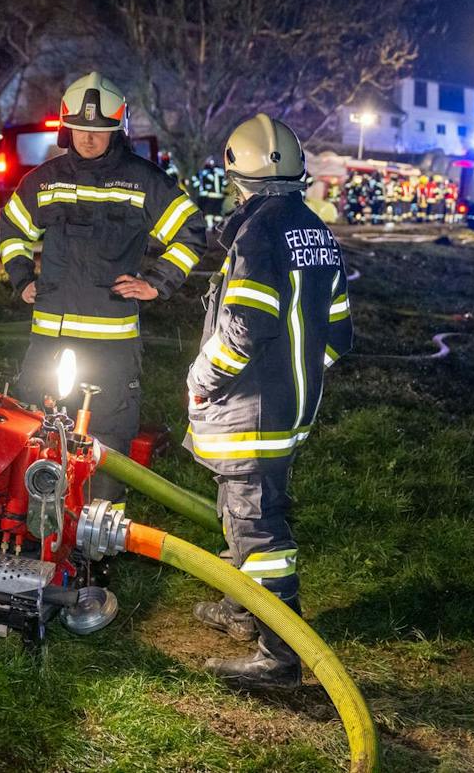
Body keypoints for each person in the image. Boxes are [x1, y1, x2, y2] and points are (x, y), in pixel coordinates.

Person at [185, 113, 353, 690]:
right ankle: (241, 607)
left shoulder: (257, 234)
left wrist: (204, 376)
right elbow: (338, 334)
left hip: (249, 409)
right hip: (289, 411)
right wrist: (297, 378)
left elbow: (244, 326)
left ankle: (279, 655)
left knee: (256, 526)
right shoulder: (315, 230)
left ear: (238, 177)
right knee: (243, 511)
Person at [0, 72, 207, 500]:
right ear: (65, 127)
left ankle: (97, 525)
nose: (89, 139)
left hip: (112, 341)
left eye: (100, 131)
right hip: (49, 337)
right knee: (34, 424)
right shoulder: (45, 180)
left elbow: (190, 230)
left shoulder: (143, 180)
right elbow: (11, 229)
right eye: (81, 129)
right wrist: (22, 279)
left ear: (117, 130)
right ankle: (27, 514)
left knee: (108, 434)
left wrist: (157, 283)